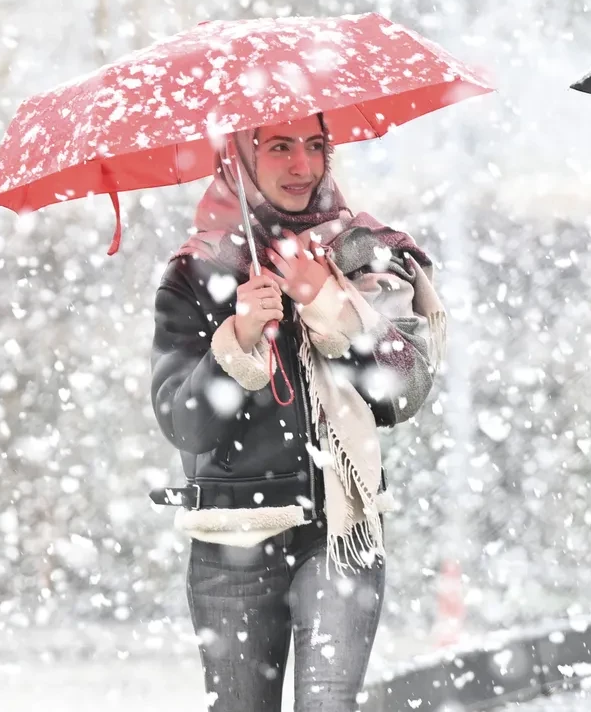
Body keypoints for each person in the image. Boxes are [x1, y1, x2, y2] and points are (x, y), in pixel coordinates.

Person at [148, 112, 444, 712]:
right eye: (279, 146)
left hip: (340, 537)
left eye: (315, 145)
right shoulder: (196, 271)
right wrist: (237, 338)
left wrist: (329, 300)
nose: (302, 166)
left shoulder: (364, 254)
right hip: (232, 542)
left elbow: (403, 392)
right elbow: (186, 424)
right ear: (238, 157)